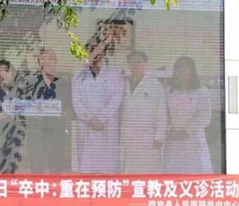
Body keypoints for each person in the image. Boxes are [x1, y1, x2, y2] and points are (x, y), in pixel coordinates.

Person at [72, 41, 124, 173]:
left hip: (106, 125)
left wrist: (101, 118)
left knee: (107, 168)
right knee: (86, 168)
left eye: (98, 50)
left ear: (104, 53)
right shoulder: (78, 76)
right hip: (86, 126)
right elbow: (76, 102)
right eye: (91, 50)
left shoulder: (115, 75)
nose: (95, 53)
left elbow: (116, 100)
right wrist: (90, 119)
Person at [20, 48, 72, 173]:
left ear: (56, 62)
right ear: (39, 63)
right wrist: (31, 111)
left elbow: (70, 107)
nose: (46, 62)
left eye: (50, 59)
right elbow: (22, 106)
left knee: (56, 167)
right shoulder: (30, 83)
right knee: (36, 167)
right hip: (36, 131)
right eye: (43, 59)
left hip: (56, 131)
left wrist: (65, 113)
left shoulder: (64, 84)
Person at [120, 51, 167, 173]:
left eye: (139, 62)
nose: (135, 65)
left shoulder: (155, 85)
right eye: (132, 62)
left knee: (148, 173)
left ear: (145, 64)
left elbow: (161, 112)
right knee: (128, 173)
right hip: (127, 136)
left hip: (148, 138)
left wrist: (159, 136)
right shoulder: (122, 84)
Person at [165, 56, 212, 174]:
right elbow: (163, 114)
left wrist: (186, 131)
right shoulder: (168, 91)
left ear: (192, 70)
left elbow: (205, 116)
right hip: (173, 139)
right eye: (178, 67)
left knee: (197, 177)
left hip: (194, 140)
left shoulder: (201, 91)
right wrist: (169, 129)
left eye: (186, 67)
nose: (182, 70)